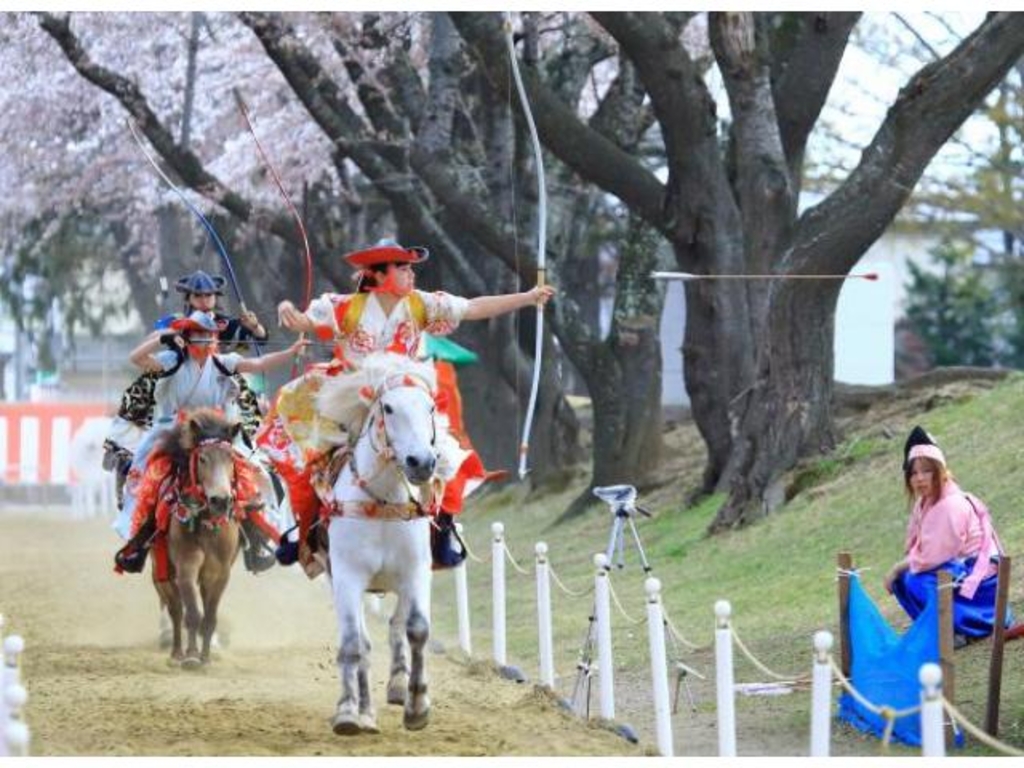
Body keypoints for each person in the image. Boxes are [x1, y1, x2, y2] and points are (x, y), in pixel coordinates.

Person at [265, 238, 555, 573]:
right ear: (378, 275)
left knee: (449, 457)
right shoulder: (345, 306)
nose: (410, 274)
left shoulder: (421, 304)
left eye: (409, 268)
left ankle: (442, 532)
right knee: (313, 460)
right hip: (356, 399)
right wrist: (290, 313)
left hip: (406, 398)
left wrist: (528, 297)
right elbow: (305, 322)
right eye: (402, 268)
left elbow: (473, 308)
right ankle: (306, 533)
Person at [113, 311, 308, 574]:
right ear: (187, 337)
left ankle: (257, 540)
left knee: (256, 473)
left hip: (217, 431)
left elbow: (259, 365)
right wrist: (163, 338)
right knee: (151, 475)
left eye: (209, 335)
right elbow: (135, 358)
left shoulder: (223, 362)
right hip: (177, 431)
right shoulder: (172, 360)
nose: (205, 339)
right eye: (198, 334)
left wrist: (291, 352)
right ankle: (140, 541)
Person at [103, 270, 269, 511]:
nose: (204, 300)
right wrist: (168, 335)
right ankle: (130, 477)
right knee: (148, 448)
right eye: (198, 296)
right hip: (181, 389)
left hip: (218, 388)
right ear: (189, 298)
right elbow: (152, 342)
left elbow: (260, 341)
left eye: (209, 295)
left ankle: (252, 497)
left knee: (250, 444)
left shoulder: (225, 323)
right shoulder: (176, 322)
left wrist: (256, 328)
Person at [883, 426, 1013, 645]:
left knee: (913, 580)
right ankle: (946, 630)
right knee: (907, 580)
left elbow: (933, 557)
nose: (919, 479)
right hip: (960, 570)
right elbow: (918, 548)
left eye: (926, 471)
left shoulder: (949, 505)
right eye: (913, 473)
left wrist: (897, 568)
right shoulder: (925, 502)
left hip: (981, 582)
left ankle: (969, 626)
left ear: (939, 471)